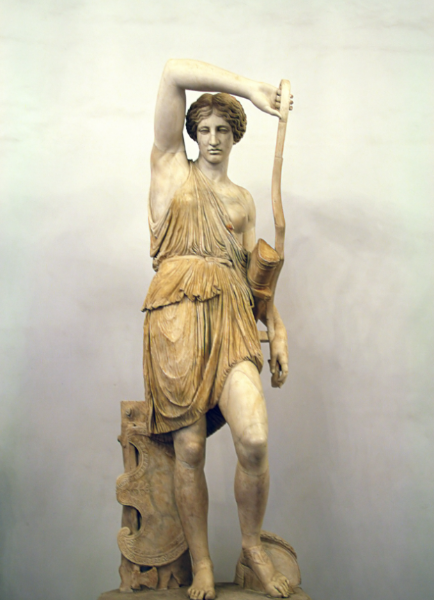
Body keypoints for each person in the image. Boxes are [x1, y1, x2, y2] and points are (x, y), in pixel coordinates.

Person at [142, 59, 293, 600]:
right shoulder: (169, 169)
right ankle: (202, 563)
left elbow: (257, 283)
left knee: (254, 437)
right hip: (177, 323)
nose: (212, 139)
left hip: (231, 319)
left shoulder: (242, 200)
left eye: (222, 130)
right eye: (203, 129)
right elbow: (172, 73)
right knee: (189, 449)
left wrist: (277, 327)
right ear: (191, 132)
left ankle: (251, 547)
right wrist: (248, 89)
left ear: (234, 137)